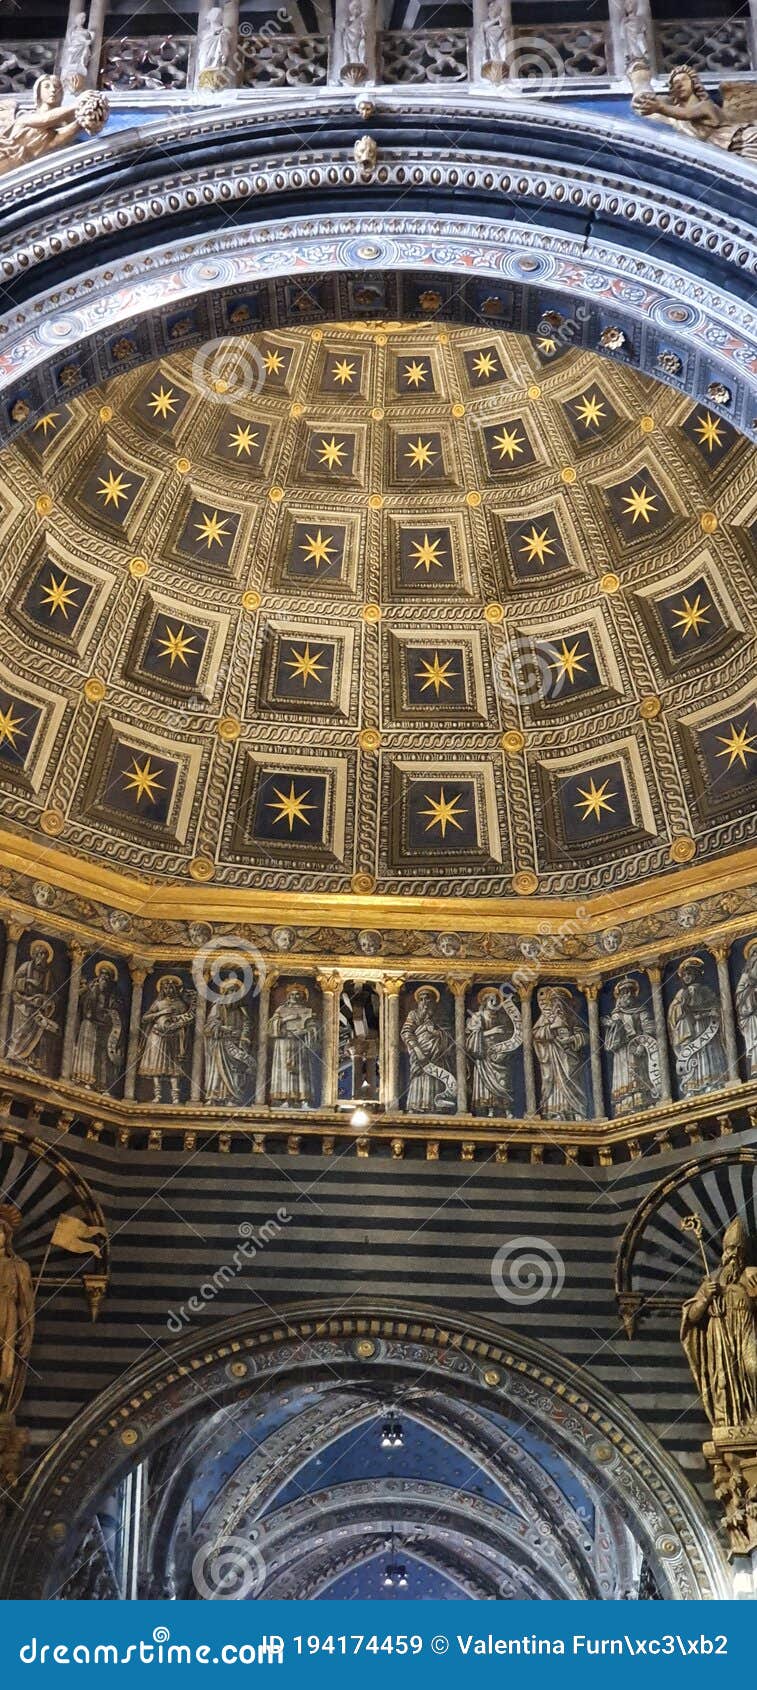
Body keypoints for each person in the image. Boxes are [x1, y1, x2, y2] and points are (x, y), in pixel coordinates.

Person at [681, 1218, 757, 1428]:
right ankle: (729, 1420)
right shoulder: (712, 1279)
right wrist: (706, 1299)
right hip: (720, 1335)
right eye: (730, 1249)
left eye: (738, 1250)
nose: (734, 1254)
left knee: (754, 1368)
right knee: (723, 1378)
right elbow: (692, 1316)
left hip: (746, 1329)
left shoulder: (750, 1277)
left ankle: (754, 1416)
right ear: (724, 1252)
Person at [633, 67, 757, 162]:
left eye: (684, 80)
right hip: (721, 152)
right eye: (675, 82)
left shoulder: (706, 105)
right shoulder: (674, 118)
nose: (679, 85)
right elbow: (644, 108)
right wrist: (640, 83)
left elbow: (688, 114)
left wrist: (659, 107)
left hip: (741, 140)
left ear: (694, 84)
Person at [668, 957, 726, 1097]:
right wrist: (681, 1008)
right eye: (685, 975)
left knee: (707, 1052)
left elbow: (716, 1006)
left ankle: (711, 1083)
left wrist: (710, 1012)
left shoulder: (705, 990)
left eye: (690, 974)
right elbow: (672, 1013)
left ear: (696, 974)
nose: (687, 977)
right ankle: (693, 1087)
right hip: (690, 1029)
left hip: (706, 1028)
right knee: (693, 1055)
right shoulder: (681, 994)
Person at [604, 976, 660, 1114]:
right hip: (622, 1052)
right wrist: (613, 1025)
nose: (628, 995)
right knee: (625, 1076)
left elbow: (649, 1028)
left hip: (640, 1048)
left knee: (641, 1074)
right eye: (624, 992)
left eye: (630, 992)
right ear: (620, 997)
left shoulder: (641, 1011)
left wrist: (643, 1045)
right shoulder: (616, 1015)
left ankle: (644, 1101)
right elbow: (611, 1040)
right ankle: (625, 1106)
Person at [465, 986, 522, 1116]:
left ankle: (507, 1109)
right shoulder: (477, 1016)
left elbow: (511, 1034)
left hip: (500, 1055)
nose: (495, 1002)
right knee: (486, 1083)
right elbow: (472, 1036)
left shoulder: (503, 1016)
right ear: (484, 1002)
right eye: (491, 1000)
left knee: (504, 1080)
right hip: (484, 1054)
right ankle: (489, 1109)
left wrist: (506, 1043)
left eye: (497, 1000)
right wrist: (492, 1031)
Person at [533, 986, 588, 1120]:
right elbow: (535, 1035)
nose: (558, 1006)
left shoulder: (571, 1018)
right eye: (555, 1002)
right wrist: (552, 1027)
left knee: (570, 1077)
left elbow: (584, 1036)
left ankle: (575, 1110)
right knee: (552, 1082)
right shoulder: (545, 1018)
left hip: (569, 1056)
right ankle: (554, 1112)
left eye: (562, 1002)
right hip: (551, 1057)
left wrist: (572, 1039)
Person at [138, 975, 194, 1104]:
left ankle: (175, 1097)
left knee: (174, 1068)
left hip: (174, 1038)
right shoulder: (158, 1003)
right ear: (162, 989)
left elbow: (187, 1023)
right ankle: (157, 1095)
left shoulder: (181, 1004)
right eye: (166, 987)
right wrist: (161, 1013)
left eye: (172, 987)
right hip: (157, 1036)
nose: (169, 990)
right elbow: (145, 1018)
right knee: (155, 1065)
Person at [6, 940, 60, 1075]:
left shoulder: (48, 974)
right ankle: (13, 1055)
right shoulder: (26, 966)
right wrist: (28, 982)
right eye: (39, 954)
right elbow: (14, 984)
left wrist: (45, 1000)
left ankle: (29, 1060)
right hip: (23, 1004)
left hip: (37, 1009)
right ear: (34, 955)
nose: (41, 957)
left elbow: (53, 995)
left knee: (38, 1035)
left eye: (44, 955)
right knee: (20, 1032)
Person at [400, 986, 456, 1113]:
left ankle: (437, 1106)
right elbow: (406, 1033)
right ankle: (418, 1105)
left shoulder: (440, 1017)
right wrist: (418, 1050)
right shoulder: (414, 1015)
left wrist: (437, 1033)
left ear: (434, 1001)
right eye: (421, 999)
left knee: (436, 1077)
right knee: (420, 1076)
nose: (425, 1002)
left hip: (438, 1055)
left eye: (428, 999)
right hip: (420, 1052)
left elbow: (450, 1036)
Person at [0, 1210, 34, 1418]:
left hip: (7, 1313)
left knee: (5, 1359)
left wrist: (27, 1331)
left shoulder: (18, 1267)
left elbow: (26, 1304)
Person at [71, 961, 125, 1093]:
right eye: (102, 975)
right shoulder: (91, 989)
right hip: (89, 1024)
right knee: (87, 1051)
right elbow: (84, 1007)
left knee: (102, 1055)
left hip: (104, 1028)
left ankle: (101, 1083)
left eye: (107, 976)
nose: (104, 978)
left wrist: (110, 1014)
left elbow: (118, 1010)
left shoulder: (114, 995)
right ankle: (83, 1079)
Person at [203, 977, 254, 1104]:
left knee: (236, 1069)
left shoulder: (242, 1009)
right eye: (231, 991)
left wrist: (244, 1037)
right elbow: (210, 1024)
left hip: (237, 1043)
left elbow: (248, 1025)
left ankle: (233, 1097)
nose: (233, 994)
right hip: (221, 1042)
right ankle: (214, 1097)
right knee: (218, 1070)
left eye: (236, 991)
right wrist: (222, 1028)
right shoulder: (218, 1005)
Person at [268, 984, 319, 1106]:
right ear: (288, 996)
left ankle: (303, 1099)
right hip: (283, 1044)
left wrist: (306, 1031)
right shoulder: (281, 1010)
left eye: (298, 994)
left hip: (300, 1044)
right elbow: (271, 1026)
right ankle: (285, 1099)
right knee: (284, 1070)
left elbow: (314, 1029)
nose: (295, 997)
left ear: (302, 996)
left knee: (301, 1070)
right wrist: (286, 1019)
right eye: (293, 994)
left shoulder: (307, 1011)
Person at [735, 942, 757, 1079]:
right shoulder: (745, 977)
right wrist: (752, 992)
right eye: (754, 954)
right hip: (753, 1016)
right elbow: (739, 998)